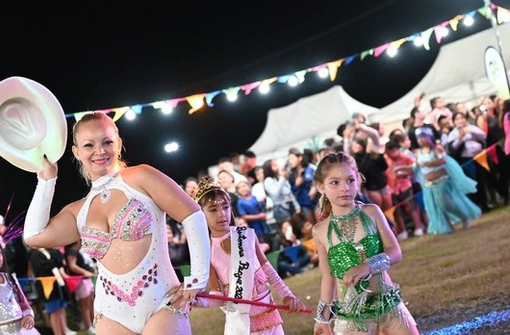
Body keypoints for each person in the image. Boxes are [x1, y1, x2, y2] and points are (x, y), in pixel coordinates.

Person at [22, 112, 211, 335]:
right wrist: (46, 180)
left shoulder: (141, 177)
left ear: (119, 143)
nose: (99, 151)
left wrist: (198, 278)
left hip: (163, 303)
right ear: (76, 151)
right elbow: (33, 235)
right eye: (89, 145)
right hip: (110, 314)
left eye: (107, 142)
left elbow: (192, 214)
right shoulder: (78, 211)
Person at [311, 152, 419, 334]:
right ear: (321, 187)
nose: (344, 188)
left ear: (358, 181)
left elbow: (395, 252)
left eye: (350, 180)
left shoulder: (371, 212)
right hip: (353, 316)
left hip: (389, 305)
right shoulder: (320, 231)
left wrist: (368, 265)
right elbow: (328, 277)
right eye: (335, 182)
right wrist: (322, 317)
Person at [192, 176, 305, 334]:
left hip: (270, 317)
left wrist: (286, 294)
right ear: (201, 214)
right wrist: (196, 301)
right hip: (243, 326)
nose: (221, 214)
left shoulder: (246, 236)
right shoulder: (207, 252)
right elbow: (217, 297)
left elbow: (266, 267)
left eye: (225, 207)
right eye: (213, 210)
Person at [413, 127, 481, 235]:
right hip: (429, 184)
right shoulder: (418, 153)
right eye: (418, 138)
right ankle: (446, 227)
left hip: (442, 181)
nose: (420, 140)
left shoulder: (436, 149)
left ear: (428, 137)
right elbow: (415, 167)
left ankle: (464, 217)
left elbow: (445, 161)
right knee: (437, 207)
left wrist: (430, 163)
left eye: (422, 137)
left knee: (446, 203)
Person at [64, 240, 97, 334]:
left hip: (86, 280)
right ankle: (88, 326)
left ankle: (93, 323)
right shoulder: (72, 251)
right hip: (81, 281)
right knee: (85, 305)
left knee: (90, 303)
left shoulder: (76, 250)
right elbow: (72, 266)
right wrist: (85, 272)